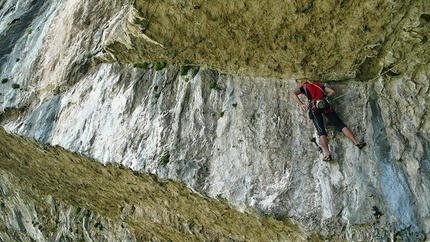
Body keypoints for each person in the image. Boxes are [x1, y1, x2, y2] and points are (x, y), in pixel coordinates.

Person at [291, 80, 366, 161]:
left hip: (314, 108)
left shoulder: (304, 87)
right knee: (341, 125)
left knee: (321, 132)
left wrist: (302, 104)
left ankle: (327, 154)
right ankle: (356, 142)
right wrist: (325, 98)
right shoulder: (319, 85)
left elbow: (293, 94)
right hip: (325, 105)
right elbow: (332, 92)